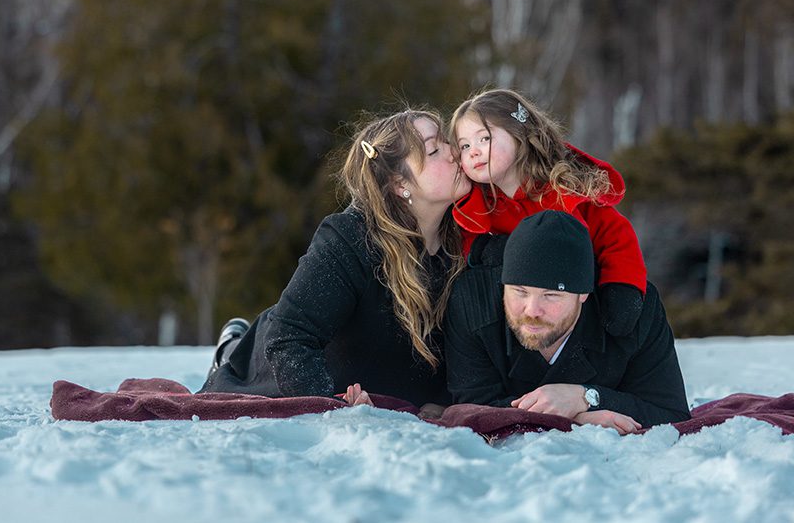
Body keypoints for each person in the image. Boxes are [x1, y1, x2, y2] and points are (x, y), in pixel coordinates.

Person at [201, 109, 471, 408]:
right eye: (434, 150)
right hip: (277, 367)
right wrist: (331, 406)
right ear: (399, 184)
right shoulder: (350, 238)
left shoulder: (469, 234)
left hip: (389, 383)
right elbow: (288, 338)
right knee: (241, 354)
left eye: (446, 141)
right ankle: (229, 347)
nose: (454, 152)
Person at [444, 211, 690, 432]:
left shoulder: (636, 311)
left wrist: (586, 397)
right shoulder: (472, 301)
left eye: (551, 295)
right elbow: (471, 409)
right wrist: (576, 418)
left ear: (583, 293)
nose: (532, 310)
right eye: (519, 291)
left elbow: (670, 413)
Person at [450, 88, 647, 335]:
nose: (474, 151)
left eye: (484, 139)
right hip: (526, 322)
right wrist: (485, 250)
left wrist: (622, 287)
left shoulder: (562, 188)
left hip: (583, 304)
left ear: (518, 135)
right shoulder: (477, 207)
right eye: (464, 146)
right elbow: (467, 244)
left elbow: (615, 236)